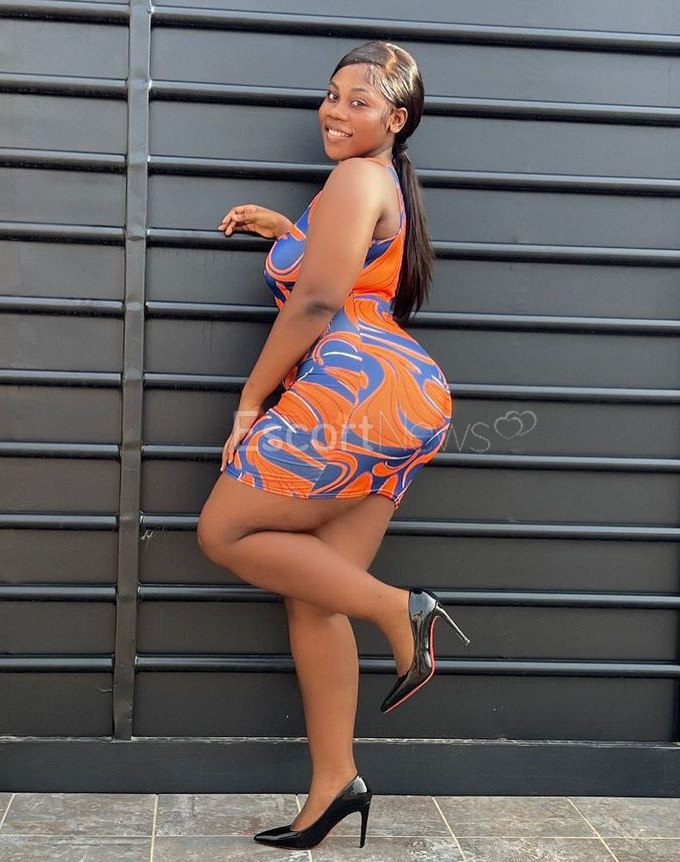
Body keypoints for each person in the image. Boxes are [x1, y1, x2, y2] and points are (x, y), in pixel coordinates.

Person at [196, 40, 470, 850]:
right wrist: (289, 230)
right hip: (400, 394)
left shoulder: (356, 178)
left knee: (223, 531)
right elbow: (346, 274)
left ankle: (401, 609)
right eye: (331, 94)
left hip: (352, 390)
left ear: (397, 118)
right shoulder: (374, 186)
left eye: (359, 100)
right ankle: (334, 784)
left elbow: (318, 302)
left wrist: (251, 400)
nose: (334, 111)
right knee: (316, 597)